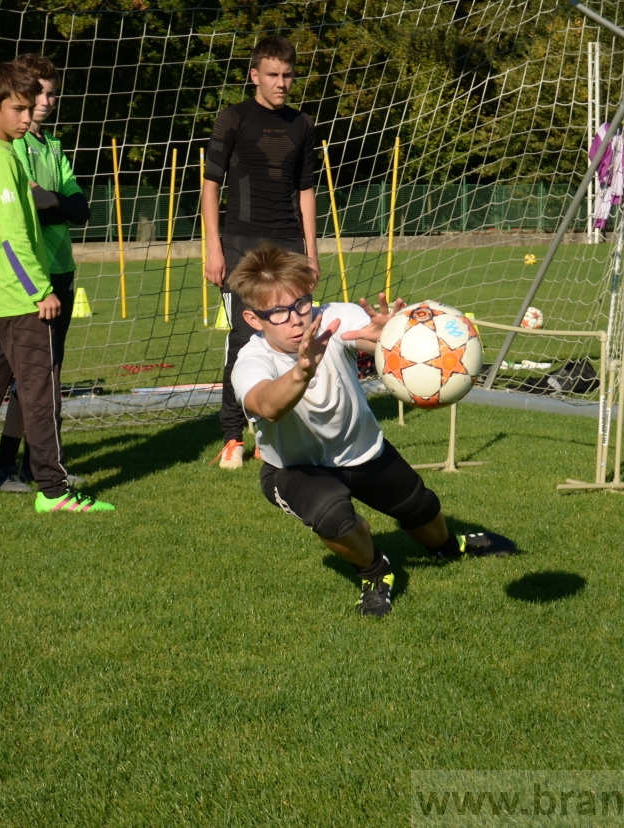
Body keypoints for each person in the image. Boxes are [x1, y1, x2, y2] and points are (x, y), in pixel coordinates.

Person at [230, 244, 515, 617]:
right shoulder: (251, 361)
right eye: (279, 313)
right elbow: (267, 404)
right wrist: (303, 369)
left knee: (421, 508)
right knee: (333, 516)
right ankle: (375, 571)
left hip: (361, 449)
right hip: (293, 468)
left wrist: (391, 336)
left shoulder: (333, 317)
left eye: (302, 303)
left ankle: (448, 547)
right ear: (255, 319)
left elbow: (367, 338)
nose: (297, 319)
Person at [0, 61, 112, 513]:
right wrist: (40, 290)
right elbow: (11, 235)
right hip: (18, 298)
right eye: (17, 108)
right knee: (40, 390)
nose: (27, 116)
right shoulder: (0, 158)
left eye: (29, 106)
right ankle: (54, 491)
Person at [202, 35, 319, 470]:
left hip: (288, 243)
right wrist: (214, 248)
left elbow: (306, 190)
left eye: (288, 75)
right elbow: (210, 185)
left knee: (295, 332)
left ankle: (293, 422)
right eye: (272, 74)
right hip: (240, 242)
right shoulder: (232, 118)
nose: (281, 82)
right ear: (255, 75)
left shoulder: (302, 124)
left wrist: (311, 250)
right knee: (242, 336)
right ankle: (233, 435)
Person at [0, 53, 91, 493]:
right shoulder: (11, 146)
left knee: (49, 375)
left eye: (51, 94)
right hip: (30, 277)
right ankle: (2, 466)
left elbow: (78, 210)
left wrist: (51, 202)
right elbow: (25, 211)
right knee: (26, 378)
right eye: (38, 94)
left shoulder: (52, 148)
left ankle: (34, 465)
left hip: (61, 271)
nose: (45, 102)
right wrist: (49, 204)